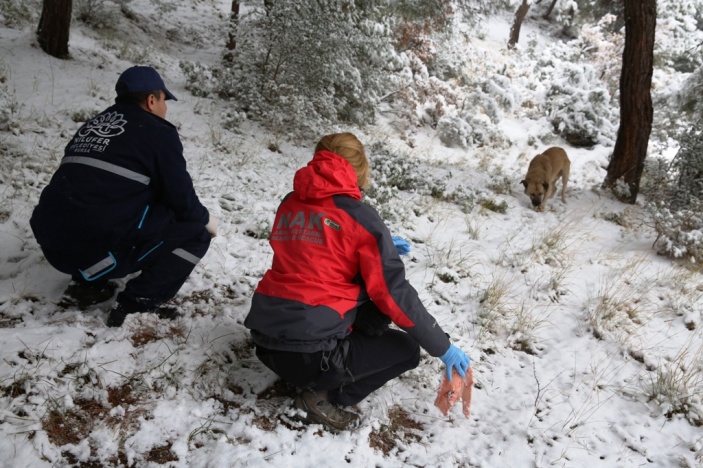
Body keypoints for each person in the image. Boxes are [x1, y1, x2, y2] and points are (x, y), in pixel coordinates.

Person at [244, 132, 470, 431]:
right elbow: (394, 293)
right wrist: (443, 348)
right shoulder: (360, 216)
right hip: (312, 355)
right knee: (405, 349)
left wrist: (380, 244)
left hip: (264, 339)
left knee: (373, 315)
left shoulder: (290, 202)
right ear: (360, 170)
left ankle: (308, 371)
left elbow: (314, 253)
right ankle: (321, 396)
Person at [30, 66, 217, 327]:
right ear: (152, 100)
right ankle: (136, 305)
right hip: (94, 249)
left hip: (52, 244)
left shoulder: (91, 127)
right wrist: (206, 220)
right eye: (165, 100)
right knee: (195, 233)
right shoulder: (157, 131)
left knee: (105, 202)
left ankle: (86, 286)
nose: (165, 108)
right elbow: (180, 198)